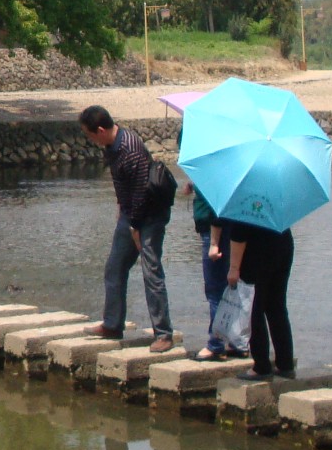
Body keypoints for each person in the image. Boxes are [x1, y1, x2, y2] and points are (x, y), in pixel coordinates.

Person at [79, 105, 175, 353]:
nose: (90, 140)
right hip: (130, 213)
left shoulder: (130, 148)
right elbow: (126, 186)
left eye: (90, 135)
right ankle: (112, 324)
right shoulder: (111, 146)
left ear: (100, 130)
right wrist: (122, 209)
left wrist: (135, 226)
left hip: (148, 216)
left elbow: (142, 191)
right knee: (115, 267)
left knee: (151, 272)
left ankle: (163, 334)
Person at [219, 202, 296, 380]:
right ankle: (285, 365)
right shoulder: (277, 193)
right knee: (277, 308)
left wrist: (233, 268)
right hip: (283, 245)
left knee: (254, 310)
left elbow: (239, 234)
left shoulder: (244, 198)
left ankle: (261, 367)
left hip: (257, 254)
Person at [189, 180, 233, 361]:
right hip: (229, 231)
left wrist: (214, 244)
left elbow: (218, 208)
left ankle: (216, 344)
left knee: (215, 289)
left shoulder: (212, 174)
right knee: (231, 288)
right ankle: (237, 342)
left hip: (216, 233)